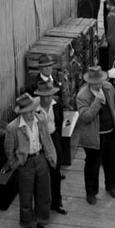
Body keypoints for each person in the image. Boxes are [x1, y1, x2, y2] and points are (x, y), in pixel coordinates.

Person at [3, 93, 57, 228]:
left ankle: (43, 222)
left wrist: (50, 156)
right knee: (25, 196)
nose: (31, 114)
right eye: (27, 112)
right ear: (21, 113)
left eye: (32, 110)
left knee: (44, 193)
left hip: (40, 158)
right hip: (25, 163)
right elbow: (8, 149)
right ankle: (26, 225)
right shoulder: (13, 127)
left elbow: (46, 139)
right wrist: (15, 163)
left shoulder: (40, 120)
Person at [76, 67, 115, 205]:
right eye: (95, 83)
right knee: (92, 164)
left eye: (100, 82)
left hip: (109, 132)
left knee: (111, 161)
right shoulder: (82, 96)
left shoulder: (108, 87)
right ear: (89, 82)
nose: (98, 85)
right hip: (93, 136)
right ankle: (91, 193)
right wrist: (97, 102)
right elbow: (85, 117)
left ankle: (111, 186)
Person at [34, 82, 67, 216]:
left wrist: (58, 140)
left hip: (54, 137)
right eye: (44, 96)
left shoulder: (56, 105)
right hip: (40, 140)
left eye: (49, 96)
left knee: (56, 171)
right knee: (41, 174)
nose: (47, 99)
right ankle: (41, 205)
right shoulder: (35, 108)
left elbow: (60, 122)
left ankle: (56, 202)